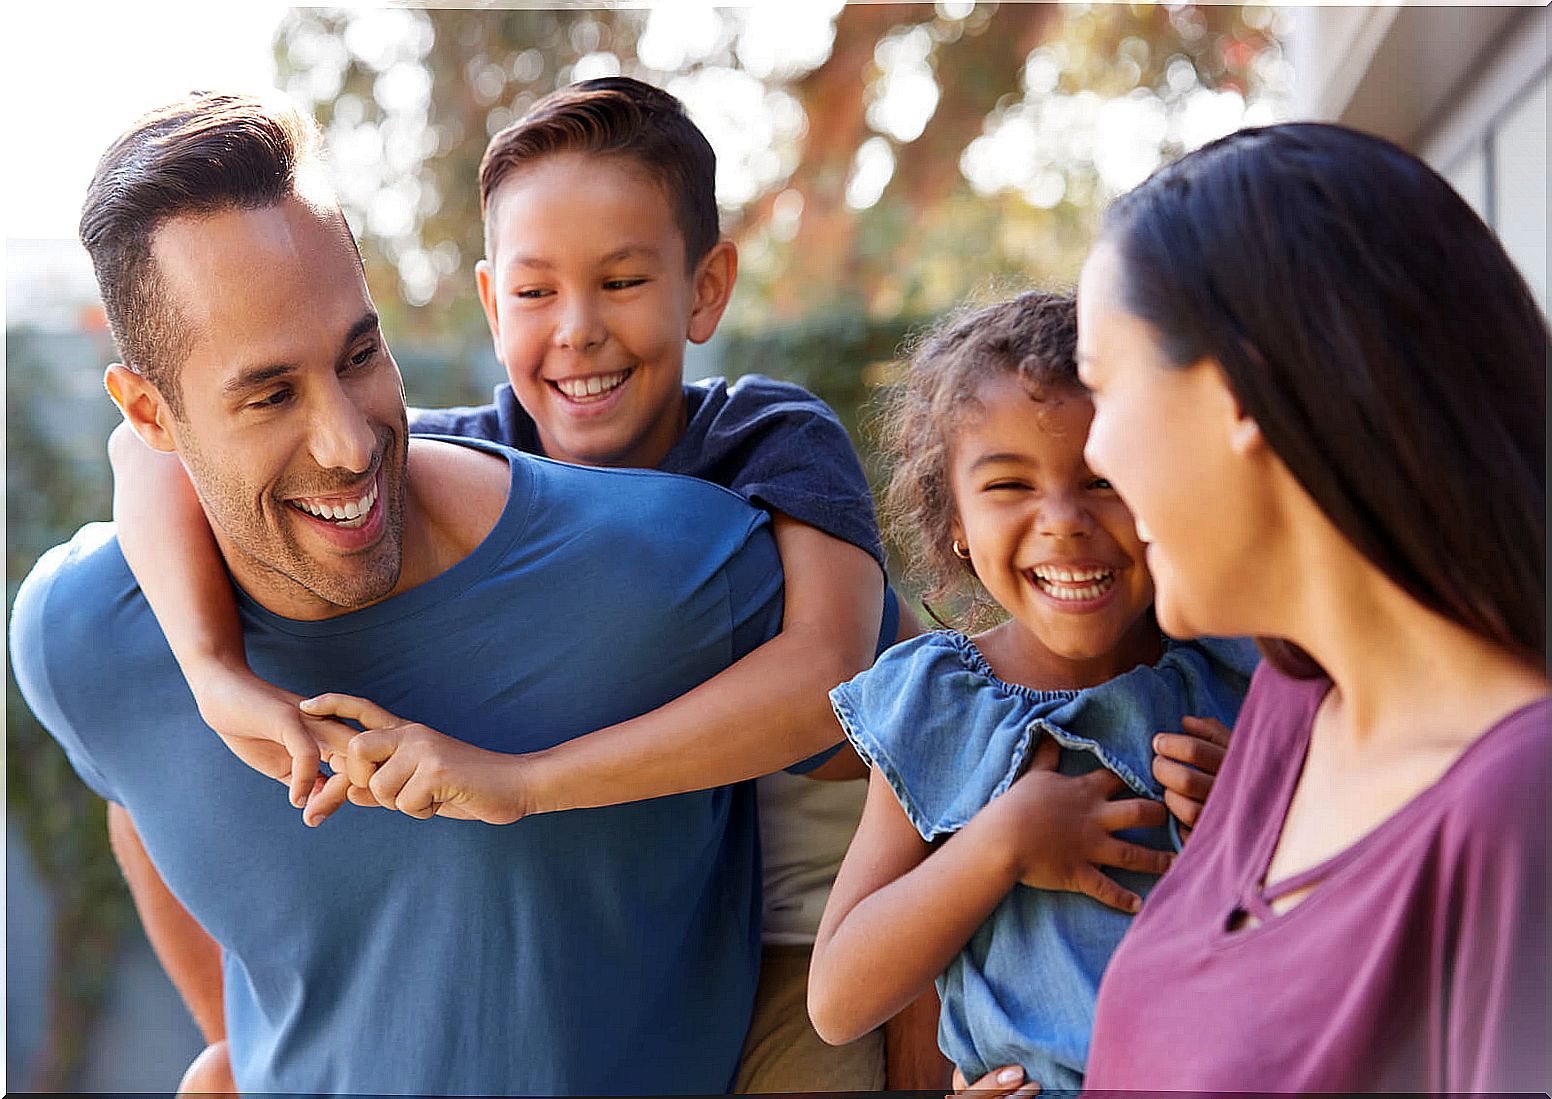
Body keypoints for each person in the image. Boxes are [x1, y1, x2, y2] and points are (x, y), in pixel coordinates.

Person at [104, 78, 937, 1091]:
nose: (577, 328)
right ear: (493, 303)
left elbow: (836, 679)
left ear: (706, 287)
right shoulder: (461, 466)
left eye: (622, 282)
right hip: (629, 934)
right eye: (537, 292)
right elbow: (145, 451)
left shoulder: (762, 439)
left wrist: (519, 782)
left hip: (805, 930)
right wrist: (209, 668)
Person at [1074, 123, 1548, 1092]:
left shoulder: (1518, 806)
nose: (1093, 456)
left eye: (1101, 387)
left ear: (1240, 390)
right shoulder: (1291, 704)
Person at [805, 291, 1258, 1091]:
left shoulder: (1235, 669)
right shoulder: (937, 704)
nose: (1063, 520)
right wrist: (1000, 843)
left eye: (1102, 479)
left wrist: (1255, 814)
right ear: (954, 519)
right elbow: (839, 997)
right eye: (1010, 485)